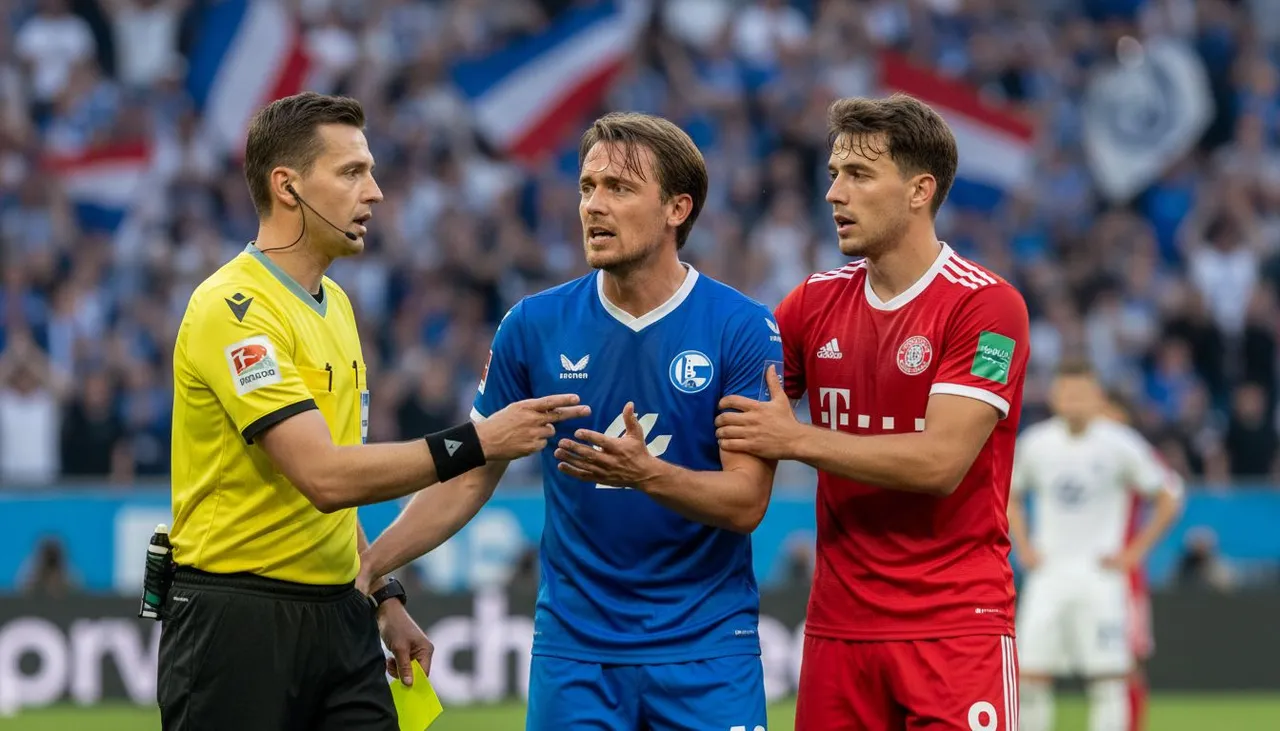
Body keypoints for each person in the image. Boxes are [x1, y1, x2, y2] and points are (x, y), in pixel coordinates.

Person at [160, 92, 589, 731]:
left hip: (340, 615)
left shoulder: (335, 305)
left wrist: (385, 597)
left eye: (371, 171)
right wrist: (477, 442)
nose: (375, 192)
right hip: (239, 619)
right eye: (351, 172)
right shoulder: (233, 308)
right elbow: (324, 477)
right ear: (287, 186)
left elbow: (340, 486)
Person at [358, 112, 782, 731]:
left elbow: (747, 502)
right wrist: (371, 569)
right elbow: (471, 476)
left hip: (707, 648)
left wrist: (648, 474)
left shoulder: (739, 326)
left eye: (620, 188)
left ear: (677, 208)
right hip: (575, 655)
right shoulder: (533, 325)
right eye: (587, 187)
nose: (594, 205)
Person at [711, 93, 1030, 731]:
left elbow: (940, 462)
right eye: (834, 174)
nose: (835, 193)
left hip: (954, 626)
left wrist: (796, 440)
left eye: (859, 174)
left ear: (919, 190)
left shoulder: (988, 307)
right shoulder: (811, 304)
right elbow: (737, 417)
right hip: (839, 630)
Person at [1007, 361, 1183, 731]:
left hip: (1101, 577)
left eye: (1081, 393)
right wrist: (1022, 545)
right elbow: (1010, 494)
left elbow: (1169, 496)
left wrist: (1135, 552)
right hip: (1048, 575)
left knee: (1109, 681)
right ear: (1054, 397)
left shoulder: (1120, 443)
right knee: (1030, 677)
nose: (1073, 401)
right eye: (1067, 393)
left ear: (1097, 397)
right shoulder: (1036, 443)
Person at [1102, 389, 1184, 731]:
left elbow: (1172, 494)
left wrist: (1136, 550)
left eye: (1107, 412)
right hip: (1074, 570)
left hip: (1121, 575)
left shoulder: (1133, 453)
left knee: (1128, 662)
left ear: (1122, 417)